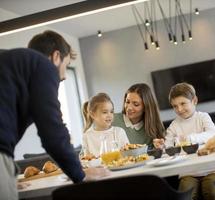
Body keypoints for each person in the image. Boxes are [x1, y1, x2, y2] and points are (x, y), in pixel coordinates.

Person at [0, 30, 109, 200]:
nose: (62, 75)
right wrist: (80, 174)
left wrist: (8, 178)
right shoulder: (43, 65)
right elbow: (52, 130)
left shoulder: (12, 65)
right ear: (56, 56)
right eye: (65, 66)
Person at [153, 82, 215, 200]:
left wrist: (191, 138)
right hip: (187, 172)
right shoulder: (174, 126)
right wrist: (161, 146)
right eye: (175, 106)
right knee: (184, 196)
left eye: (183, 103)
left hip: (211, 169)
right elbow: (168, 149)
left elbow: (213, 134)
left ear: (194, 101)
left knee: (212, 193)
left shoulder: (203, 117)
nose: (179, 109)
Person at [112, 83, 165, 147]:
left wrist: (158, 148)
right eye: (127, 102)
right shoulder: (112, 120)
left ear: (146, 107)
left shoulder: (152, 128)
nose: (129, 107)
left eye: (136, 104)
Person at [81, 93, 129, 158]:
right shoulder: (87, 136)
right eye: (105, 112)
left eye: (111, 112)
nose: (109, 115)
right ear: (92, 114)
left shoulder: (119, 132)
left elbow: (129, 154)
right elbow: (87, 159)